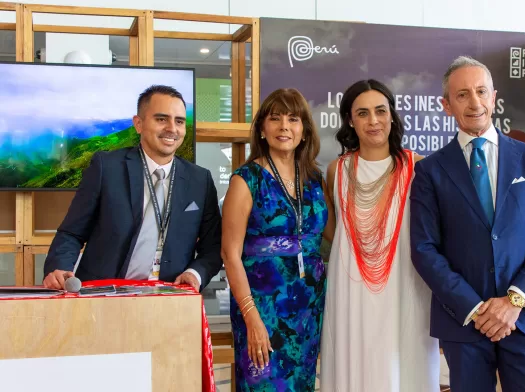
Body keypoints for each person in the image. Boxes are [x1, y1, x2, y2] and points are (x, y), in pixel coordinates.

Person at [409, 56, 525, 392]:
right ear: (446, 105)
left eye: (481, 91)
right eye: (462, 94)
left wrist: (513, 301)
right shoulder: (430, 171)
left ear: (494, 97)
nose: (474, 102)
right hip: (464, 323)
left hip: (524, 319)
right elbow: (424, 250)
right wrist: (476, 309)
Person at [319, 79, 440, 392]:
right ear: (350, 120)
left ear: (392, 116)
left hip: (406, 284)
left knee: (404, 365)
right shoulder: (337, 170)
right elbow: (333, 231)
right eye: (362, 113)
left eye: (380, 111)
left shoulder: (418, 167)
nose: (373, 120)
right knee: (354, 365)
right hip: (350, 288)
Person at [43, 85, 223, 292]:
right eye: (161, 119)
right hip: (104, 294)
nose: (172, 129)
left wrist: (194, 273)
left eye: (179, 121)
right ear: (138, 124)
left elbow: (213, 246)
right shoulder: (107, 168)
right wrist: (60, 268)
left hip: (169, 296)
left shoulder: (200, 179)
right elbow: (71, 233)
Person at [221, 88, 333, 391]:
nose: (284, 126)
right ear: (262, 128)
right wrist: (252, 318)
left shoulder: (314, 180)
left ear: (305, 131)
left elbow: (334, 236)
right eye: (275, 118)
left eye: (293, 119)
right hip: (262, 306)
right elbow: (230, 255)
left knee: (302, 383)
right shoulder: (246, 180)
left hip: (308, 306)